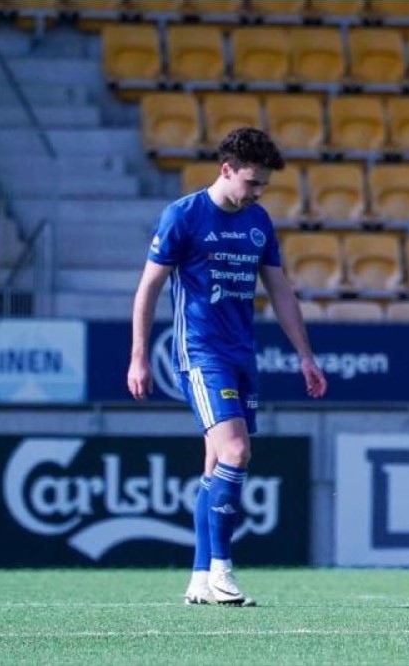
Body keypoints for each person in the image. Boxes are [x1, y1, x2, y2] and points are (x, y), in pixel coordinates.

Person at [127, 127, 328, 607]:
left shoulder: (258, 221)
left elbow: (280, 291)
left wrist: (304, 353)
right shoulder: (184, 215)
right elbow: (148, 289)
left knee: (216, 462)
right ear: (227, 170)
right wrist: (138, 356)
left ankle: (199, 577)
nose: (258, 193)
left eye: (263, 186)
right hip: (200, 353)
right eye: (252, 182)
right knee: (236, 453)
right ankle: (222, 570)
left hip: (242, 353)